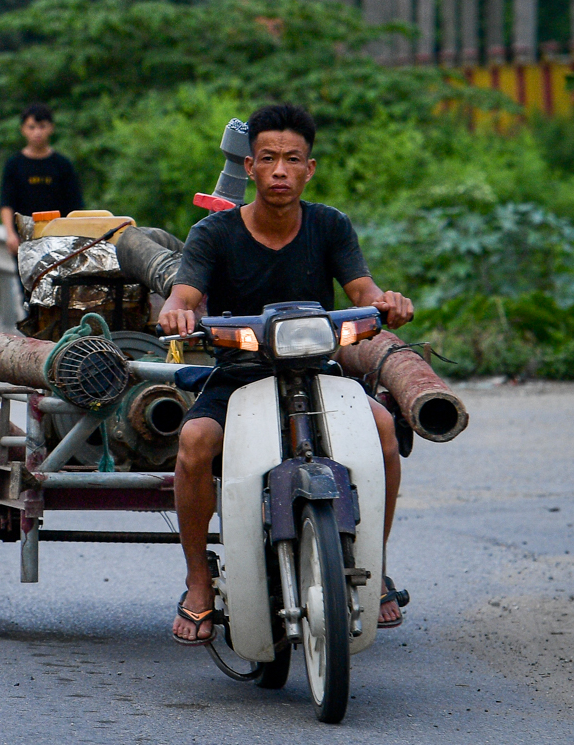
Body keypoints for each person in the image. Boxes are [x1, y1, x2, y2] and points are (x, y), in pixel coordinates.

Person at [155, 104, 416, 645]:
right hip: (240, 375)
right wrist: (178, 312)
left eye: (292, 159)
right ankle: (199, 582)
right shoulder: (214, 232)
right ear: (248, 166)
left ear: (309, 168)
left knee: (384, 430)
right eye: (268, 159)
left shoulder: (329, 225)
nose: (279, 171)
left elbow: (362, 292)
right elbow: (184, 295)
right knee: (195, 441)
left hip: (315, 370)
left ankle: (378, 564)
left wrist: (386, 301)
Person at [0, 102, 85, 254]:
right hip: (25, 240)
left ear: (51, 128)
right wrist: (10, 234)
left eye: (42, 126)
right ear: (23, 129)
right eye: (32, 127)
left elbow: (75, 205)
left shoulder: (62, 165)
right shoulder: (14, 164)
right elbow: (6, 202)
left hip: (59, 240)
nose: (37, 132)